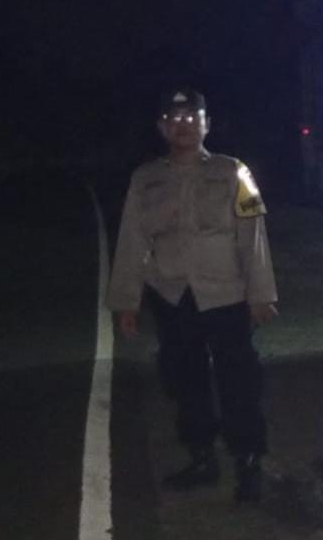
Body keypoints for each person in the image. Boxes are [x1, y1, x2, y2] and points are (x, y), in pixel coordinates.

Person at [107, 87, 278, 503]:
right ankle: (202, 457)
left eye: (192, 118)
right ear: (162, 127)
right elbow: (132, 239)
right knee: (185, 381)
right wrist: (127, 301)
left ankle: (248, 461)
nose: (183, 126)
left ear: (207, 124)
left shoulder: (234, 172)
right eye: (175, 119)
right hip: (172, 294)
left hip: (227, 293)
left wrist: (261, 293)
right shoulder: (146, 179)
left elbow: (253, 235)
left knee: (239, 380)